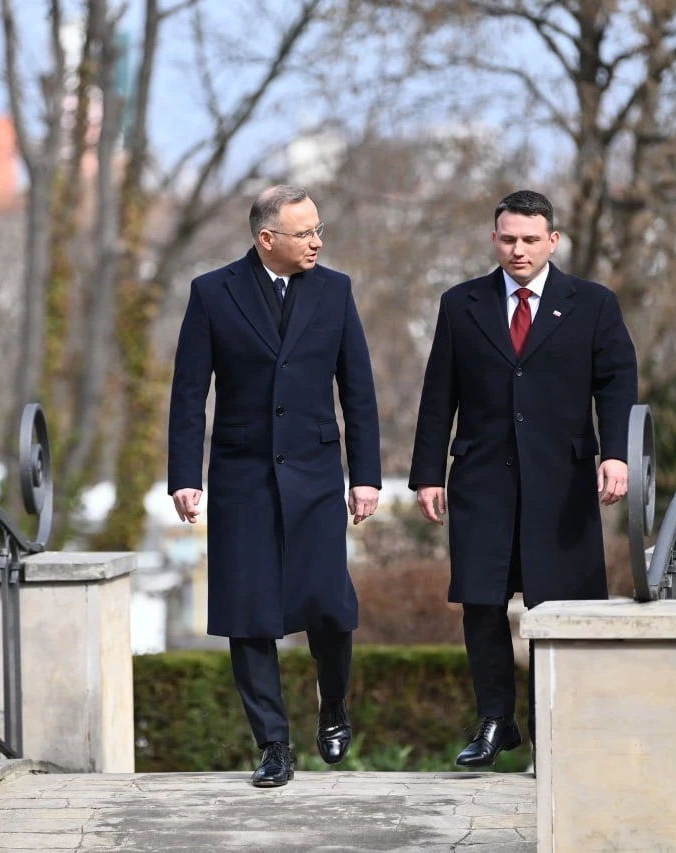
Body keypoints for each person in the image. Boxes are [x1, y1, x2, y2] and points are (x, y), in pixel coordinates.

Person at [408, 190, 638, 767]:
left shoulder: (592, 304)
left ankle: (555, 733)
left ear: (552, 241)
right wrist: (426, 475)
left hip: (561, 486)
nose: (518, 250)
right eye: (507, 238)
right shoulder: (461, 304)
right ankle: (495, 720)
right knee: (481, 602)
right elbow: (439, 395)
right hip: (481, 480)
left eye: (530, 239)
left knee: (557, 609)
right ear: (494, 239)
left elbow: (616, 384)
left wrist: (617, 454)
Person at [167, 185, 382, 787]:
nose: (317, 241)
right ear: (268, 239)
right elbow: (189, 393)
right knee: (249, 611)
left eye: (320, 229)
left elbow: (357, 391)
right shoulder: (212, 293)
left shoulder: (335, 291)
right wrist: (184, 476)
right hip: (241, 474)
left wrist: (364, 476)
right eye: (305, 232)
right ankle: (274, 745)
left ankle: (333, 704)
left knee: (330, 605)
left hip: (315, 473)